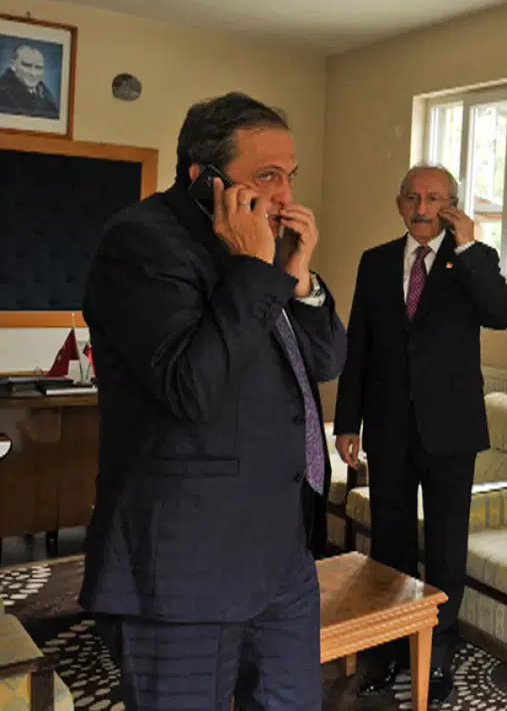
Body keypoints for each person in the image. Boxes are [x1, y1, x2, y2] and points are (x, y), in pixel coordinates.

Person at [79, 91, 345, 710]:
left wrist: (299, 281)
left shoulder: (267, 251)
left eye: (291, 176)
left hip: (281, 558)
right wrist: (254, 271)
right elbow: (191, 388)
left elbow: (327, 362)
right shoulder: (142, 243)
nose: (287, 196)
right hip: (184, 571)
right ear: (205, 178)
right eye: (267, 176)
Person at [333, 163, 507, 704]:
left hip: (451, 431)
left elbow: (503, 313)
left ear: (452, 207)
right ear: (399, 204)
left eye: (434, 198)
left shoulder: (473, 261)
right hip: (389, 428)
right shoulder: (375, 262)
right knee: (389, 544)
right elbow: (359, 346)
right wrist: (347, 423)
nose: (422, 208)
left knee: (444, 547)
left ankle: (437, 652)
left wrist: (470, 247)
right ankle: (387, 648)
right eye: (413, 198)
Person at [0, 44, 59, 118]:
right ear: (13, 65)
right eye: (27, 65)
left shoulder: (45, 94)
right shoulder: (3, 93)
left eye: (39, 68)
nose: (33, 73)